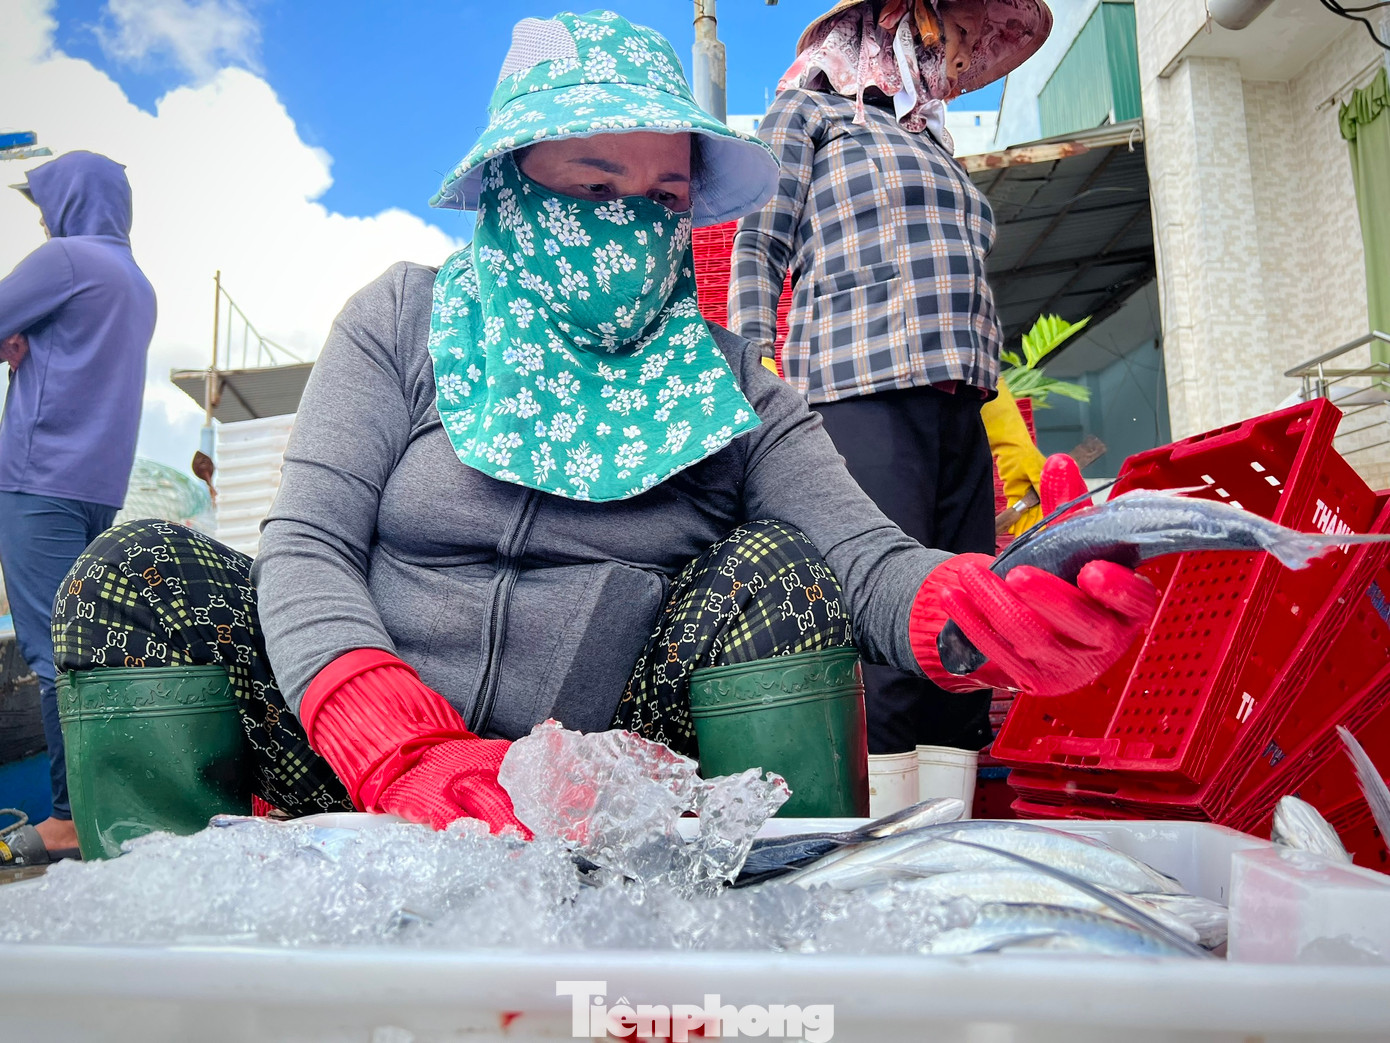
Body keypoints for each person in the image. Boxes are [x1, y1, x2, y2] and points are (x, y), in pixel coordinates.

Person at [51, 10, 1154, 838]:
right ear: (513, 179)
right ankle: (183, 947)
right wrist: (387, 733)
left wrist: (972, 613)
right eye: (592, 180)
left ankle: (768, 952)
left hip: (600, 782)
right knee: (136, 571)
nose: (631, 222)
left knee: (774, 569)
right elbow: (307, 544)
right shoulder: (402, 315)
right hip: (359, 750)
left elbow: (864, 559)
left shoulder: (728, 381)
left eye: (663, 197)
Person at [729, 0, 1053, 757]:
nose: (966, 51)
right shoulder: (807, 112)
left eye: (975, 41)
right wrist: (754, 371)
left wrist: (1000, 421)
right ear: (904, 24)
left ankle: (949, 834)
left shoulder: (932, 140)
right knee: (885, 632)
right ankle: (873, 843)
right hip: (858, 393)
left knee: (964, 628)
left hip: (959, 402)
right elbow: (757, 246)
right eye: (960, 32)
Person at [0, 151, 156, 857]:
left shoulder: (64, 259)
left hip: (38, 479)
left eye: (44, 202)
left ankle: (65, 817)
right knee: (90, 646)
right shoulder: (137, 282)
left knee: (51, 655)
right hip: (98, 488)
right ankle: (108, 807)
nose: (40, 216)